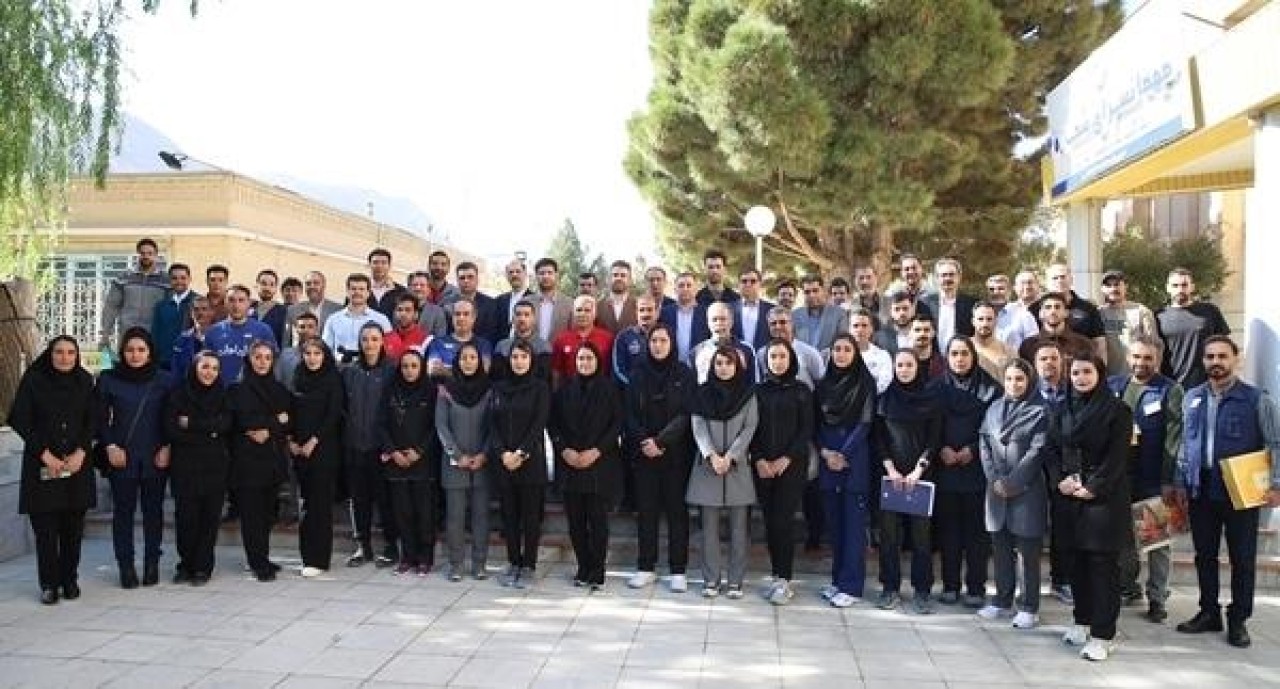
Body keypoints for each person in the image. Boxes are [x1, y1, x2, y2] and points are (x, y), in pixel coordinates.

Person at [1170, 335, 1280, 648]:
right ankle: (1209, 612)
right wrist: (1180, 481)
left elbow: (1275, 443)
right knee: (1204, 555)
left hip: (1240, 491)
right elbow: (1185, 444)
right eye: (1210, 357)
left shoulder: (1257, 399)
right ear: (1203, 361)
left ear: (1236, 359)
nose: (1215, 362)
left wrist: (1276, 484)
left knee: (1242, 558)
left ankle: (1238, 619)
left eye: (1222, 356)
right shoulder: (1192, 397)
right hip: (1201, 490)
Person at [1051, 354, 1131, 662]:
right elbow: (1051, 449)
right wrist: (1059, 480)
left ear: (1100, 374)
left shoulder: (1117, 411)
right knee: (1076, 564)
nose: (1081, 378)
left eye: (1087, 372)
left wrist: (1093, 487)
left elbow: (1117, 457)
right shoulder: (1061, 408)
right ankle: (1081, 621)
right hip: (1069, 496)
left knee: (1101, 567)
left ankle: (1103, 634)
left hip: (1103, 500)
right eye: (1075, 373)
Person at [8, 336, 96, 604]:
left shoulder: (85, 381)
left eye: (71, 353)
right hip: (42, 465)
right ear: (50, 354)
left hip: (76, 465)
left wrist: (81, 452)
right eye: (59, 352)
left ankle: (69, 580)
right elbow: (20, 419)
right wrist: (45, 455)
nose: (65, 358)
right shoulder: (34, 380)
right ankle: (49, 584)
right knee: (45, 531)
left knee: (72, 530)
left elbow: (93, 420)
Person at [1107, 337, 1182, 621]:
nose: (1141, 363)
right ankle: (1127, 587)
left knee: (1158, 541)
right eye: (1136, 357)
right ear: (1128, 358)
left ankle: (1158, 598)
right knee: (1124, 537)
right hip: (1120, 476)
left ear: (1158, 360)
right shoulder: (1114, 385)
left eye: (1148, 358)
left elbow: (1174, 438)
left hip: (1154, 476)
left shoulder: (1170, 390)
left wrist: (1169, 479)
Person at [95, 327, 172, 588]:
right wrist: (109, 446)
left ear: (150, 352)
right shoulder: (109, 379)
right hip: (122, 456)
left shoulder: (164, 380)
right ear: (122, 352)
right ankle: (125, 566)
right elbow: (100, 418)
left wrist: (168, 447)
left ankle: (152, 563)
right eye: (129, 350)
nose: (135, 355)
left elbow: (171, 417)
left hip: (155, 456)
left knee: (153, 513)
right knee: (123, 513)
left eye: (141, 350)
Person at [977, 358, 1048, 629]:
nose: (1014, 384)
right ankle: (1002, 600)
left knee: (1027, 551)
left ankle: (1029, 606)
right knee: (1001, 548)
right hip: (996, 490)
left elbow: (1037, 451)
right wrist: (995, 479)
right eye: (1009, 379)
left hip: (1026, 490)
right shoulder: (994, 408)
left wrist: (1014, 482)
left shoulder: (1040, 411)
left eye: (1020, 379)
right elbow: (984, 443)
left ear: (1029, 381)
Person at [624, 323, 695, 592]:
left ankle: (678, 569)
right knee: (647, 512)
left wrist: (662, 441)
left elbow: (686, 414)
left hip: (674, 454)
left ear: (672, 343)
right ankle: (646, 567)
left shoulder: (684, 373)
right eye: (654, 341)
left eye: (663, 340)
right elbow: (629, 413)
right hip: (644, 455)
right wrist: (646, 441)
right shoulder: (637, 373)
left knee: (677, 513)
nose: (658, 345)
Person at [874, 350, 943, 614]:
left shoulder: (930, 400)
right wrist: (891, 469)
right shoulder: (884, 400)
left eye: (909, 365)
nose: (904, 369)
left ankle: (922, 589)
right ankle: (889, 587)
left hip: (920, 477)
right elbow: (879, 439)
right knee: (889, 535)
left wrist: (918, 470)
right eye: (900, 365)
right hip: (890, 477)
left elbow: (934, 439)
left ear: (918, 367)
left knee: (921, 537)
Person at [551, 343, 623, 591]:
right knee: (576, 522)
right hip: (570, 463)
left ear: (597, 361)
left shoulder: (610, 389)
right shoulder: (563, 390)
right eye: (580, 359)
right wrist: (565, 450)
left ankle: (598, 569)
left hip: (600, 463)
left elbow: (617, 424)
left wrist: (596, 451)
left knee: (598, 521)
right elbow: (553, 424)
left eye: (589, 358)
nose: (584, 363)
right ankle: (583, 566)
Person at [688, 346, 758, 599]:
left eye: (729, 363)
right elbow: (698, 426)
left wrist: (731, 456)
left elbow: (750, 427)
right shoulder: (702, 393)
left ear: (737, 366)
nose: (723, 368)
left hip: (737, 468)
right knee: (709, 529)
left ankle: (736, 581)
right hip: (708, 467)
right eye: (719, 363)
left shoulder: (748, 394)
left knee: (739, 530)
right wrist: (711, 455)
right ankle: (711, 580)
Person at [936, 337, 1000, 608]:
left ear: (974, 356)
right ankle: (950, 585)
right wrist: (941, 448)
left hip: (977, 468)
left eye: (964, 353)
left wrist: (972, 450)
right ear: (947, 357)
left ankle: (976, 587)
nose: (960, 359)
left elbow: (995, 428)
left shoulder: (991, 389)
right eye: (954, 354)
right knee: (948, 531)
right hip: (945, 467)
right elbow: (929, 424)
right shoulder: (936, 388)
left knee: (977, 534)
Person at [815, 335, 877, 608]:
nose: (841, 354)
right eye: (836, 349)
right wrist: (826, 453)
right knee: (835, 525)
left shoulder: (865, 383)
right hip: (828, 460)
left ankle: (851, 585)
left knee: (853, 527)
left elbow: (865, 423)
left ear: (855, 353)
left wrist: (843, 454)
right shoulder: (823, 385)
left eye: (846, 349)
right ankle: (837, 580)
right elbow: (815, 424)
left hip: (854, 461)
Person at [751, 340, 814, 605]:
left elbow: (806, 429)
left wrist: (786, 458)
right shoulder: (757, 391)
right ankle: (776, 574)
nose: (778, 361)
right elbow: (751, 428)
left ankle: (785, 579)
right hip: (763, 466)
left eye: (782, 356)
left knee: (782, 521)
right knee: (769, 521)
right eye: (773, 357)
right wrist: (759, 458)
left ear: (791, 359)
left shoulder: (802, 391)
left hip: (791, 466)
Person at [165, 351, 231, 586]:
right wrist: (209, 432)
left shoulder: (224, 395)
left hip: (215, 465)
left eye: (214, 368)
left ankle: (203, 567)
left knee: (209, 518)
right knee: (186, 518)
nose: (209, 372)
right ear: (194, 368)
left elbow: (225, 425)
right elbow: (172, 429)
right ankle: (186, 564)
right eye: (204, 367)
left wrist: (192, 424)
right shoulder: (178, 394)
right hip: (185, 465)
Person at [228, 341, 292, 582]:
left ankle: (262, 555)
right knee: (252, 514)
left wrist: (267, 428)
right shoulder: (237, 390)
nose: (263, 362)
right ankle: (257, 561)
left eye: (267, 357)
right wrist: (274, 422)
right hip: (248, 460)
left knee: (268, 513)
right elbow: (241, 421)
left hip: (273, 459)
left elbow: (288, 420)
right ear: (249, 359)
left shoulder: (279, 390)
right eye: (258, 357)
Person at [490, 341, 552, 589]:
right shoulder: (498, 388)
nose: (519, 361)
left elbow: (539, 423)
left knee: (530, 517)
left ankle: (529, 565)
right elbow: (492, 424)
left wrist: (520, 453)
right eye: (515, 356)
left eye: (524, 357)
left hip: (530, 461)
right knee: (509, 516)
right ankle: (513, 561)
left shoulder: (540, 388)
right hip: (504, 462)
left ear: (531, 360)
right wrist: (503, 453)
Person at [342, 322, 399, 567]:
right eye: (365, 339)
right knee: (358, 499)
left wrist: (390, 445)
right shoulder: (350, 371)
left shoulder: (392, 371)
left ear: (382, 342)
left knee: (385, 499)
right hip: (355, 445)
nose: (369, 344)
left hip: (381, 447)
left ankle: (390, 546)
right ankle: (362, 546)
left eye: (374, 339)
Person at [436, 342, 494, 582]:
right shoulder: (445, 390)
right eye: (463, 358)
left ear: (479, 361)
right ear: (457, 362)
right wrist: (456, 455)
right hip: (454, 464)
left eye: (472, 357)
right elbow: (441, 425)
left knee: (481, 517)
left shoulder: (489, 390)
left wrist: (484, 454)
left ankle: (479, 564)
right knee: (455, 517)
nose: (468, 362)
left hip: (482, 463)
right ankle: (456, 564)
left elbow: (493, 427)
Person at [380, 349, 441, 576]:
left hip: (422, 461)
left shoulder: (431, 391)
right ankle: (407, 556)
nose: (409, 370)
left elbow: (435, 426)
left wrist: (419, 451)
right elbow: (381, 424)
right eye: (405, 366)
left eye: (414, 366)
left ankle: (425, 558)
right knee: (402, 513)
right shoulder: (390, 390)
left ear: (422, 367)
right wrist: (393, 452)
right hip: (396, 461)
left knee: (424, 513)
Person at [288, 339, 344, 578]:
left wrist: (314, 440)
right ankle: (306, 556)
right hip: (300, 451)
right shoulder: (298, 376)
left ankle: (319, 559)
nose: (312, 358)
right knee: (306, 505)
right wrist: (291, 440)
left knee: (320, 507)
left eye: (317, 353)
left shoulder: (332, 378)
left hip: (323, 450)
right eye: (308, 353)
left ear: (324, 355)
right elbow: (291, 411)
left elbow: (333, 414)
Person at [1156, 268, 1231, 389]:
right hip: (1170, 386)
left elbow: (1225, 347)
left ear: (1192, 287)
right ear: (1168, 288)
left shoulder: (1210, 311)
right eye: (1175, 285)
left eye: (1184, 285)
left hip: (1206, 385)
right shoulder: (1158, 316)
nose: (1180, 290)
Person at [99, 238, 168, 349]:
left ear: (156, 255)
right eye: (142, 253)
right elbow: (111, 306)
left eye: (150, 253)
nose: (146, 256)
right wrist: (105, 333)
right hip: (127, 332)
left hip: (153, 334)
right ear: (138, 255)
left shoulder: (166, 281)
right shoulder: (124, 278)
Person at [204, 285, 277, 386]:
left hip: (254, 390)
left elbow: (274, 362)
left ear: (249, 303)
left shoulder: (263, 330)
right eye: (231, 300)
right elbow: (206, 364)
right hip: (221, 390)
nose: (236, 305)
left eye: (241, 300)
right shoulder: (212, 332)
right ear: (225, 302)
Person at [1037, 264, 1107, 363]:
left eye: (1063, 277)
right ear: (1047, 282)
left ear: (1071, 279)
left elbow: (1100, 343)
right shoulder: (1036, 308)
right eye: (1055, 278)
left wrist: (1101, 368)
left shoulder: (1088, 308)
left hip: (1080, 366)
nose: (1060, 281)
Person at [1098, 270, 1159, 378]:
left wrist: (1154, 374)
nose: (1113, 289)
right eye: (1108, 285)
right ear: (1102, 289)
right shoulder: (1098, 314)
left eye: (1117, 284)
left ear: (1125, 286)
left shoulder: (1141, 311)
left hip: (1136, 376)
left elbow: (1153, 345)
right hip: (1108, 378)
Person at [322, 274, 392, 364]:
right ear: (347, 292)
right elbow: (325, 349)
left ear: (368, 293)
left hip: (371, 369)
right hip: (339, 368)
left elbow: (389, 349)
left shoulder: (382, 319)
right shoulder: (333, 319)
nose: (357, 292)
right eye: (353, 289)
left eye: (361, 289)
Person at [550, 296, 613, 388]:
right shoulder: (561, 339)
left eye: (587, 310)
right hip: (570, 391)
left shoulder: (608, 338)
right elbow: (556, 371)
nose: (582, 314)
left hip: (601, 391)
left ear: (595, 314)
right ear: (573, 313)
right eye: (579, 310)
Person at [426, 299, 493, 379]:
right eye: (457, 314)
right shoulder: (437, 343)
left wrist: (446, 369)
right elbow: (433, 370)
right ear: (452, 317)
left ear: (474, 317)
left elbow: (484, 371)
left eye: (466, 314)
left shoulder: (484, 345)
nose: (461, 318)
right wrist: (468, 370)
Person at [151, 262, 198, 371]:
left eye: (183, 278)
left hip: (190, 362)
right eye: (174, 278)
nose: (179, 281)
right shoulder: (161, 306)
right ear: (169, 280)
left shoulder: (198, 303)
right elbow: (155, 334)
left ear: (190, 279)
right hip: (164, 362)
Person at [921, 259, 976, 348]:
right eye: (944, 275)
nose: (947, 278)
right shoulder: (925, 303)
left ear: (959, 277)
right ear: (937, 278)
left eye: (951, 275)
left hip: (961, 354)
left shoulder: (971, 304)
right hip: (933, 355)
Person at [493, 300, 553, 382]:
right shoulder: (502, 347)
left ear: (534, 319)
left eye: (526, 315)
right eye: (518, 314)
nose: (522, 319)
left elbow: (544, 378)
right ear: (513, 319)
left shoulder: (543, 347)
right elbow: (497, 378)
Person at [658, 272, 709, 364]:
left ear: (696, 289)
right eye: (681, 285)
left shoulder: (706, 313)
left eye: (689, 285)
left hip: (698, 365)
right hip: (671, 365)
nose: (685, 289)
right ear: (675, 289)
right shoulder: (664, 313)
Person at [284, 271, 342, 348]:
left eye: (316, 283)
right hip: (301, 353)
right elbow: (286, 340)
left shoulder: (337, 309)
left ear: (323, 286)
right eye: (308, 284)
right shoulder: (293, 310)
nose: (312, 286)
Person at [793, 275, 849, 353]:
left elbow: (843, 342)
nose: (812, 295)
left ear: (823, 291)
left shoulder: (839, 314)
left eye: (815, 291)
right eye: (807, 292)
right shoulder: (795, 315)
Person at [611, 295, 657, 385]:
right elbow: (618, 369)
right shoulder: (623, 336)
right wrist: (634, 386)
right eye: (641, 310)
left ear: (656, 311)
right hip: (631, 389)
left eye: (650, 309)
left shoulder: (664, 335)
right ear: (636, 312)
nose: (645, 314)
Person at [171, 296, 216, 383]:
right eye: (196, 309)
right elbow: (176, 370)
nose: (200, 313)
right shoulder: (182, 339)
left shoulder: (219, 338)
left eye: (204, 309)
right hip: (186, 387)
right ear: (191, 313)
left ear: (212, 312)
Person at [453, 261, 500, 342]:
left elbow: (492, 334)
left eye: (470, 277)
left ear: (477, 279)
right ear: (457, 280)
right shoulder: (448, 304)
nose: (466, 281)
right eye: (462, 278)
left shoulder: (491, 304)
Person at [848, 308, 893, 392]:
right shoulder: (840, 354)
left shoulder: (883, 355)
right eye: (855, 325)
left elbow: (884, 383)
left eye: (864, 325)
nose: (860, 330)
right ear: (849, 329)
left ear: (871, 329)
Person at [531, 257, 574, 342]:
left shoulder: (569, 303)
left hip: (558, 349)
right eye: (542, 273)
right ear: (536, 276)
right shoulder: (526, 302)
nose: (546, 276)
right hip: (530, 349)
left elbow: (572, 333)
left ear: (556, 275)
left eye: (549, 273)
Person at [971, 302, 1017, 380]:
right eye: (980, 319)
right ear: (973, 321)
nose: (985, 324)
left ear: (996, 321)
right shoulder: (963, 349)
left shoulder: (1010, 352)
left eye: (989, 319)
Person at [731, 268, 773, 351]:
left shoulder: (771, 309)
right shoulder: (729, 309)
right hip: (736, 357)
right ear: (738, 285)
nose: (748, 284)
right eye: (744, 281)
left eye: (753, 281)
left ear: (760, 284)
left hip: (764, 356)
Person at [494, 259, 533, 341]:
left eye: (518, 271)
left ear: (525, 274)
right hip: (502, 346)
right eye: (511, 272)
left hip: (527, 346)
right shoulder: (499, 300)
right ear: (507, 276)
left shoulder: (534, 299)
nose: (514, 275)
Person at [366, 248, 410, 321]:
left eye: (384, 263)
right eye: (375, 262)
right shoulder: (359, 290)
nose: (379, 266)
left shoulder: (401, 291)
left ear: (389, 266)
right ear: (369, 265)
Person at [596, 260, 638, 334]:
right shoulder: (597, 306)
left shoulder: (638, 306)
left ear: (630, 280)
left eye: (623, 275)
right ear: (609, 279)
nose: (619, 278)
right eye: (615, 275)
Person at [384, 293, 430, 361]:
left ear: (416, 314)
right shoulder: (386, 338)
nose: (403, 314)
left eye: (408, 310)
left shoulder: (426, 340)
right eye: (399, 310)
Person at [407, 270, 450, 338]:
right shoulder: (399, 309)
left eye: (422, 285)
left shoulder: (438, 312)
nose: (418, 288)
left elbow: (440, 338)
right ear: (408, 288)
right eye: (415, 285)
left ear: (429, 289)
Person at [252, 269, 288, 345]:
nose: (267, 288)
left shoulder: (284, 311)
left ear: (276, 289)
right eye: (263, 283)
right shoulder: (247, 308)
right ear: (256, 286)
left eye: (272, 285)